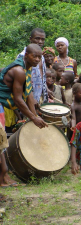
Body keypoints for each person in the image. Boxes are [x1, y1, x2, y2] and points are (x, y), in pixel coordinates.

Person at [0, 44, 48, 187]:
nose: (37, 59)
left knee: (1, 143)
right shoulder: (19, 71)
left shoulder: (27, 70)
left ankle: (4, 177)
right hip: (2, 106)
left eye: (40, 57)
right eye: (34, 56)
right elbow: (18, 99)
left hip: (3, 107)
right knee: (1, 141)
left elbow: (29, 95)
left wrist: (34, 116)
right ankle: (3, 177)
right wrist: (33, 118)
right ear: (26, 55)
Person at [17, 28, 48, 104]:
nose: (40, 42)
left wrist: (46, 90)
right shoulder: (22, 56)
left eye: (42, 39)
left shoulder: (42, 57)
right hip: (27, 99)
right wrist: (30, 98)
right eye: (37, 38)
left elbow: (42, 77)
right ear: (31, 39)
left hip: (40, 96)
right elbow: (20, 82)